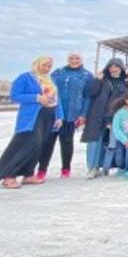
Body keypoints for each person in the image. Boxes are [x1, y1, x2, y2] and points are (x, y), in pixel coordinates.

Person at [0, 56, 63, 189]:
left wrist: (59, 116)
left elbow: (57, 99)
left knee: (39, 145)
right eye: (44, 65)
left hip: (48, 115)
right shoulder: (26, 77)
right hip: (31, 117)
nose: (47, 68)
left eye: (49, 65)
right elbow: (14, 96)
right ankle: (9, 175)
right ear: (36, 64)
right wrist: (36, 98)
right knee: (25, 144)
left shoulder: (50, 80)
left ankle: (28, 174)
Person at [36, 52, 92, 180]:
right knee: (47, 142)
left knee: (67, 142)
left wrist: (83, 114)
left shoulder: (87, 75)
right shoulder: (58, 72)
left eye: (77, 58)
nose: (74, 60)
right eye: (71, 58)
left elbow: (87, 97)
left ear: (82, 60)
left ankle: (66, 169)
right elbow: (47, 88)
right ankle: (41, 169)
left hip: (71, 114)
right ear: (67, 59)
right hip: (53, 112)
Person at [81, 58, 127, 179]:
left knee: (110, 143)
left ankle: (104, 166)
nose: (114, 68)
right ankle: (92, 167)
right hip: (97, 114)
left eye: (117, 66)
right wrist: (97, 80)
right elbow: (90, 92)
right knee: (94, 141)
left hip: (114, 115)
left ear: (121, 68)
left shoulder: (124, 82)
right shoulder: (102, 79)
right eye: (111, 66)